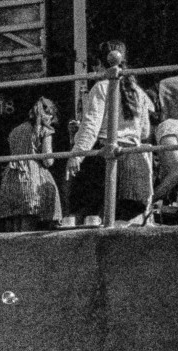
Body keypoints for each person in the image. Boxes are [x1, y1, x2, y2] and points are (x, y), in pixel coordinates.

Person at [67, 41, 156, 224]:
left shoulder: (101, 87)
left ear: (102, 64)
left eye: (95, 65)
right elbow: (145, 130)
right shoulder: (138, 92)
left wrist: (77, 155)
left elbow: (91, 126)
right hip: (135, 166)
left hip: (106, 165)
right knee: (121, 221)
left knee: (89, 213)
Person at [0, 98, 64, 231]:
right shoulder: (44, 130)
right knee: (30, 222)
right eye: (52, 117)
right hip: (33, 177)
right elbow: (48, 160)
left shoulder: (15, 131)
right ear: (48, 114)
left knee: (15, 224)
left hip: (12, 175)